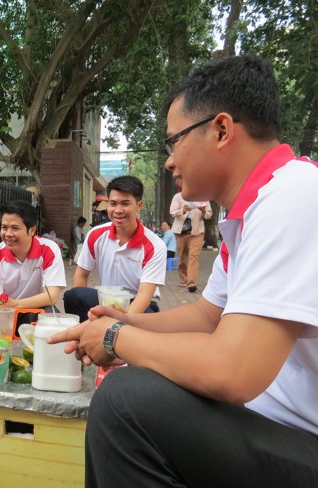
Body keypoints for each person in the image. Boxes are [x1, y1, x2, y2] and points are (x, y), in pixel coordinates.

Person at [49, 55, 318, 487]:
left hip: (301, 437)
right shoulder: (248, 214)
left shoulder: (294, 195)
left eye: (174, 141)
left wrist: (117, 338)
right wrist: (127, 321)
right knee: (134, 383)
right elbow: (208, 316)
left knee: (126, 401)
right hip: (273, 424)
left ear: (222, 130)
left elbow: (233, 370)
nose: (170, 161)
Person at [63, 175, 167, 322]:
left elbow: (145, 294)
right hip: (105, 299)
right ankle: (85, 338)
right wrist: (88, 315)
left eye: (125, 204)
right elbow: (81, 274)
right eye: (113, 204)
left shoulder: (155, 246)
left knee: (145, 319)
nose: (118, 210)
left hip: (138, 303)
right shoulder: (96, 235)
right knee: (74, 296)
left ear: (139, 205)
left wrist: (116, 325)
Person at [0, 200, 66, 332]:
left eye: (15, 228)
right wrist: (10, 308)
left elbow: (51, 296)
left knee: (50, 315)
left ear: (32, 230)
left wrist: (16, 305)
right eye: (4, 227)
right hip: (3, 316)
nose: (8, 234)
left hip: (32, 312)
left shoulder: (49, 249)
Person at [170, 188, 212, 292]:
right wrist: (182, 210)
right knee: (182, 258)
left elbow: (208, 215)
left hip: (197, 231)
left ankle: (191, 282)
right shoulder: (178, 196)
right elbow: (172, 212)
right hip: (182, 232)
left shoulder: (203, 197)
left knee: (194, 256)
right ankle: (184, 279)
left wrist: (203, 211)